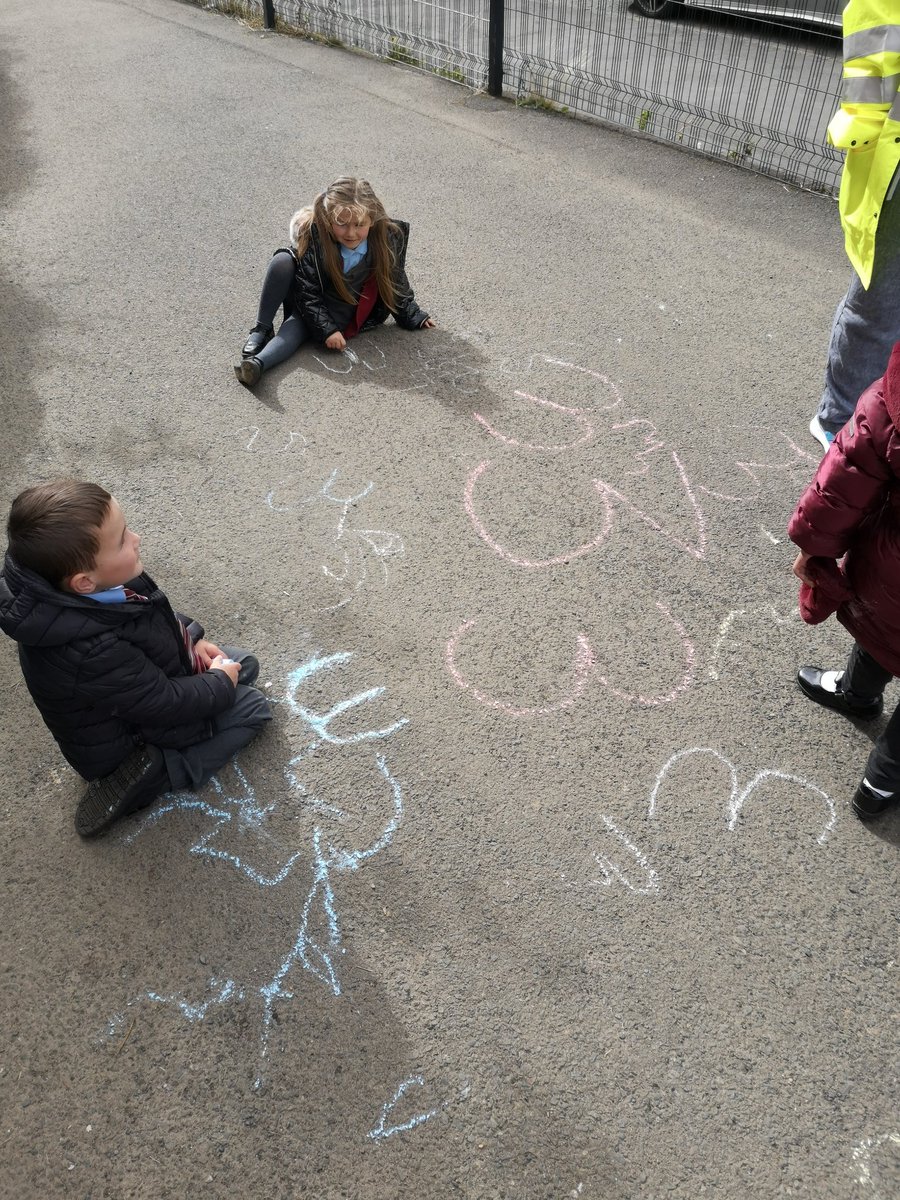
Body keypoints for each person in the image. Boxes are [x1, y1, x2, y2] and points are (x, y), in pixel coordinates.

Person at [0, 480, 272, 837]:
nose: (136, 538)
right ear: (84, 581)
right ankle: (163, 773)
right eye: (123, 538)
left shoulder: (90, 590)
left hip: (137, 687)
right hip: (131, 741)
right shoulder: (91, 649)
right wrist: (220, 684)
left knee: (244, 663)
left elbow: (150, 618)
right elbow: (163, 703)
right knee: (253, 707)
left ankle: (214, 686)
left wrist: (192, 640)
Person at [789, 341, 900, 821]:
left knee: (882, 628)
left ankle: (857, 694)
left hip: (890, 567)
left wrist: (816, 548)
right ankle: (881, 783)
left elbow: (846, 477)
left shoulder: (894, 396)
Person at [235, 176, 435, 388]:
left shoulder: (385, 240)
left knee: (293, 329)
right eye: (342, 224)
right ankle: (261, 329)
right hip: (310, 298)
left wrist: (412, 314)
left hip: (338, 310)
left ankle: (257, 364)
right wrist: (326, 329)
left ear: (372, 219)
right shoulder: (317, 234)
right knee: (282, 261)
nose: (351, 233)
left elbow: (396, 281)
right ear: (329, 219)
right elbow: (307, 292)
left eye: (359, 225)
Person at [809, 0, 900, 452]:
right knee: (878, 305)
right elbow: (873, 36)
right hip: (894, 167)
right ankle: (840, 423)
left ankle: (878, 418)